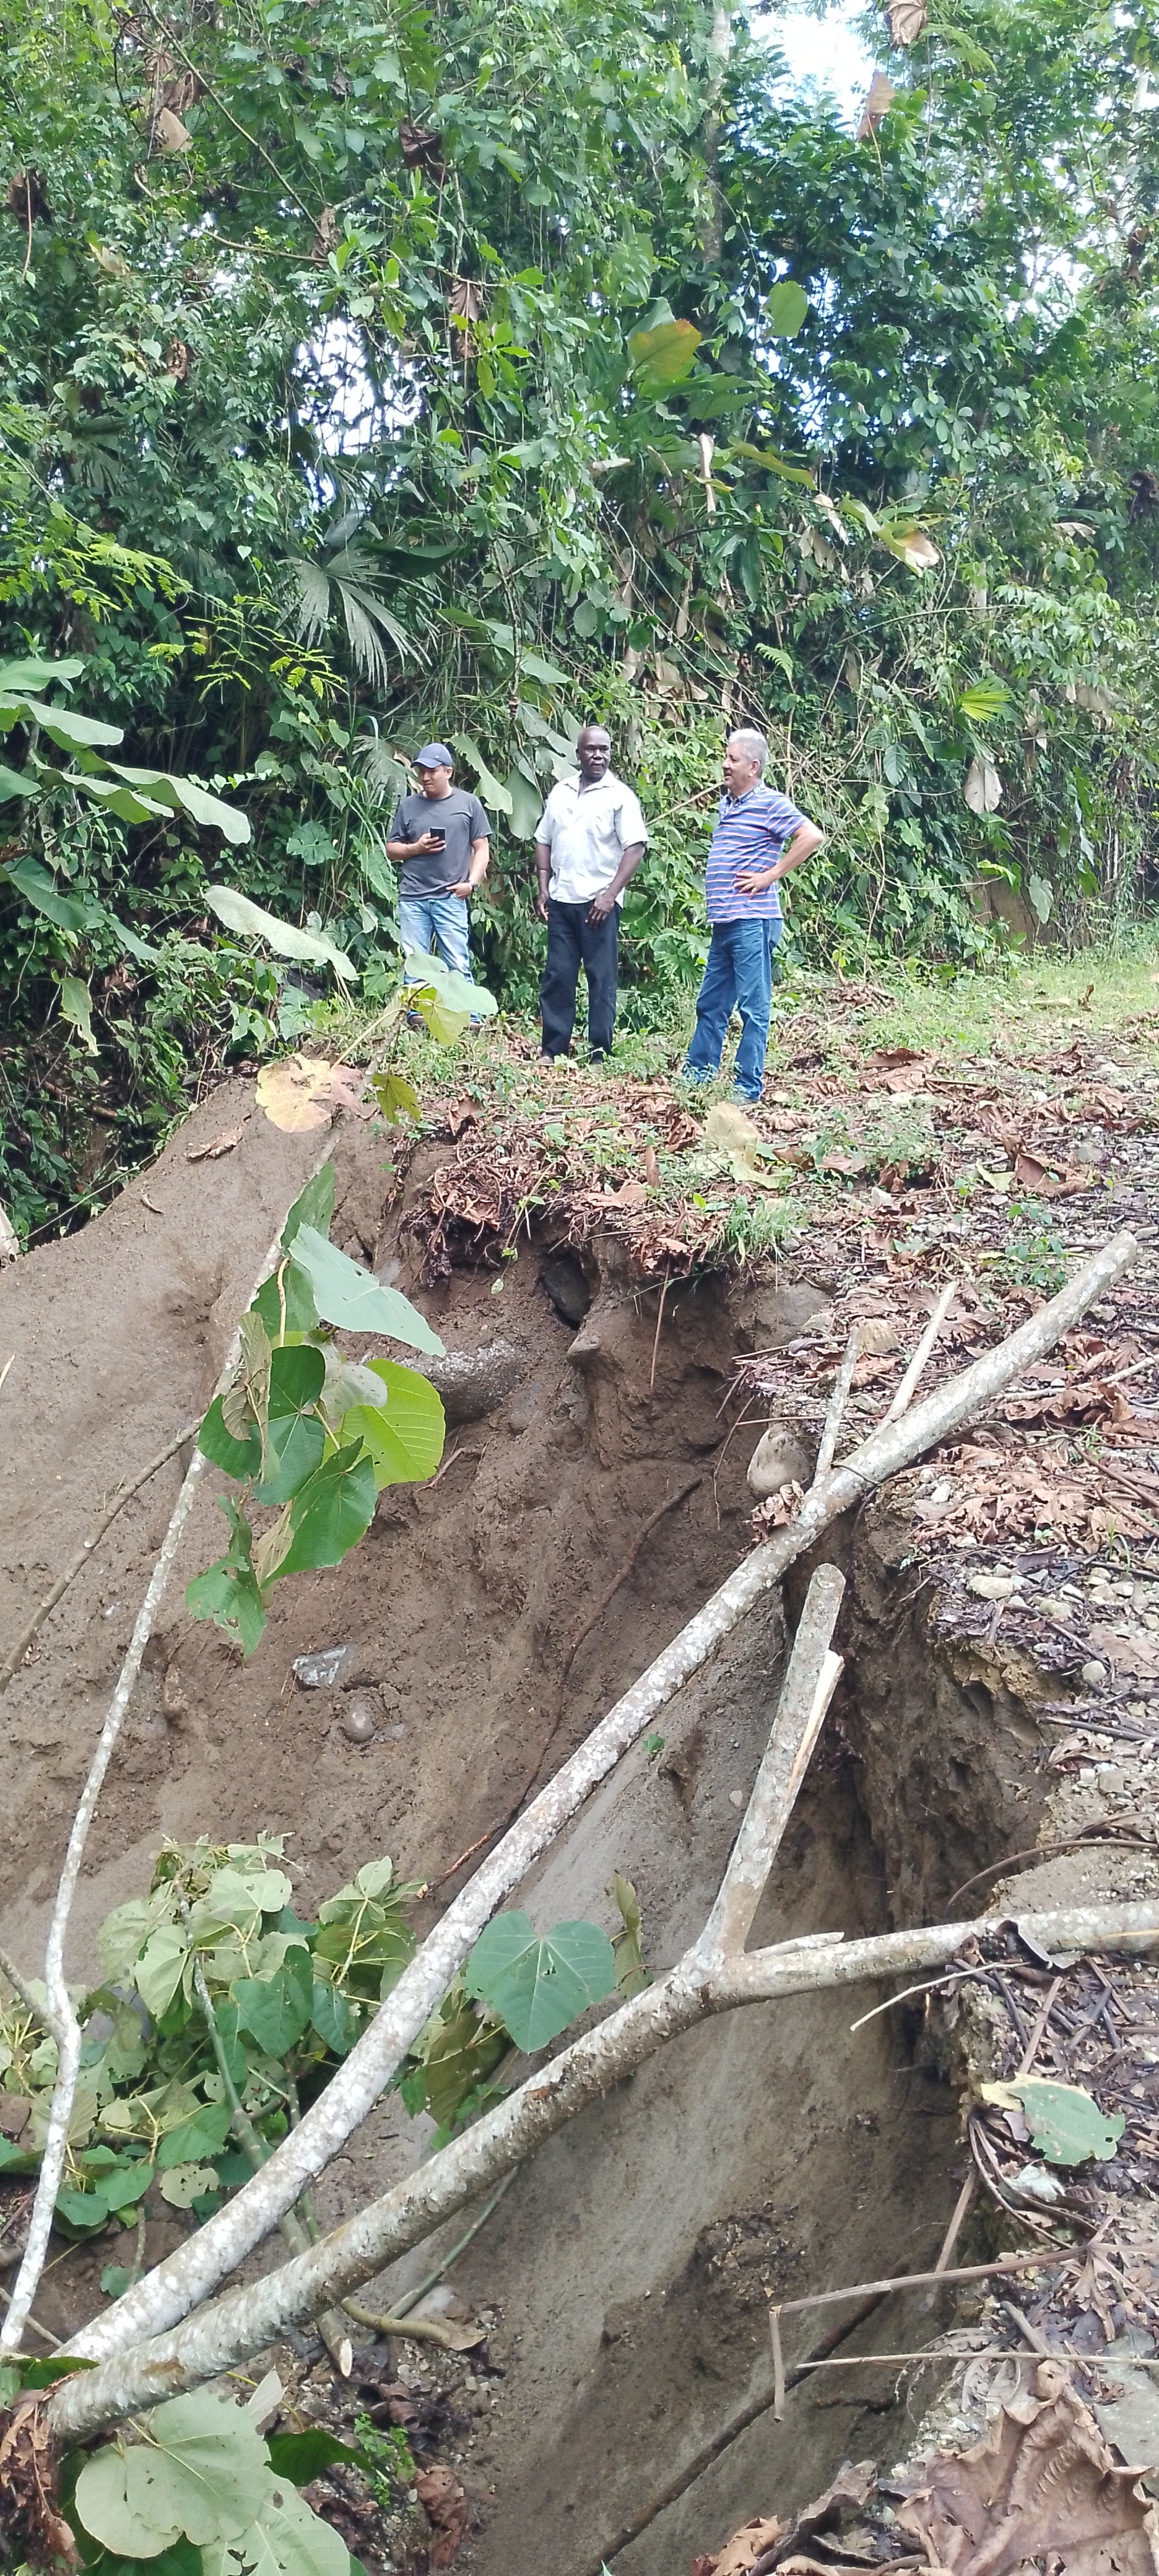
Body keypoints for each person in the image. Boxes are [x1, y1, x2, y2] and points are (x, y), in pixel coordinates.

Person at [684, 728, 823, 1103]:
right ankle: (697, 1076)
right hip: (726, 919)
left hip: (753, 919)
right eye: (726, 758)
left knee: (753, 1006)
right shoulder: (728, 804)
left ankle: (747, 1087)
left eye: (733, 759)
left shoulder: (770, 803)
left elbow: (811, 836)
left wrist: (770, 875)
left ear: (754, 766)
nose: (725, 765)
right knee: (712, 1003)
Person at [534, 724, 647, 1064]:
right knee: (558, 975)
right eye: (591, 749)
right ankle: (552, 1049)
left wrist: (610, 895)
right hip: (562, 899)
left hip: (599, 905)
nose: (598, 755)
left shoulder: (620, 796)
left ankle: (599, 1052)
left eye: (604, 749)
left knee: (601, 978)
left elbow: (635, 847)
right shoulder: (561, 792)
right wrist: (543, 888)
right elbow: (543, 839)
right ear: (578, 754)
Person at [386, 743, 490, 988]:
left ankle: (466, 1010)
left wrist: (471, 884)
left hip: (451, 897)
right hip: (413, 898)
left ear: (448, 772)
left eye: (432, 771)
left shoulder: (469, 803)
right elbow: (391, 849)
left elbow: (482, 848)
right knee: (415, 967)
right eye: (422, 771)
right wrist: (416, 848)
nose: (425, 777)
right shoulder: (408, 805)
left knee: (457, 966)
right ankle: (416, 1009)